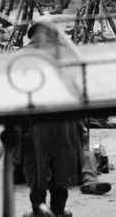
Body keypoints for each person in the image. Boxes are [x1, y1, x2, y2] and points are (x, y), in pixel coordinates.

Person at [21, 17, 79, 217]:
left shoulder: (21, 55)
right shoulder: (67, 53)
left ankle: (39, 211)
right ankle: (59, 210)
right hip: (63, 117)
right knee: (62, 163)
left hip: (34, 119)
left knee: (36, 166)